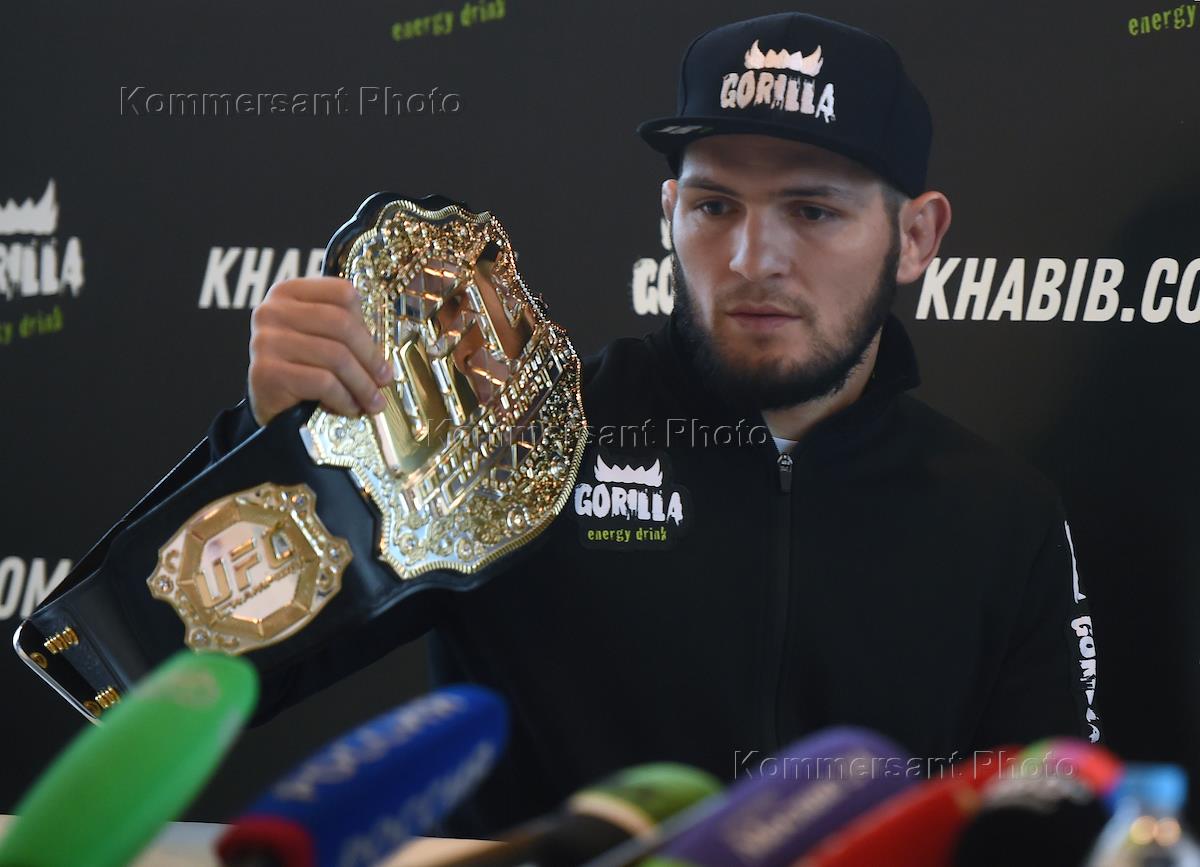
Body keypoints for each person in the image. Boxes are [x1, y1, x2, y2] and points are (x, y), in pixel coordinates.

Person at [210, 12, 1101, 836]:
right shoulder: (514, 438)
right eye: (716, 206)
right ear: (670, 214)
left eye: (812, 210)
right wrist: (273, 446)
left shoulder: (997, 512)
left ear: (915, 237)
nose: (753, 258)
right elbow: (210, 675)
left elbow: (1050, 828)